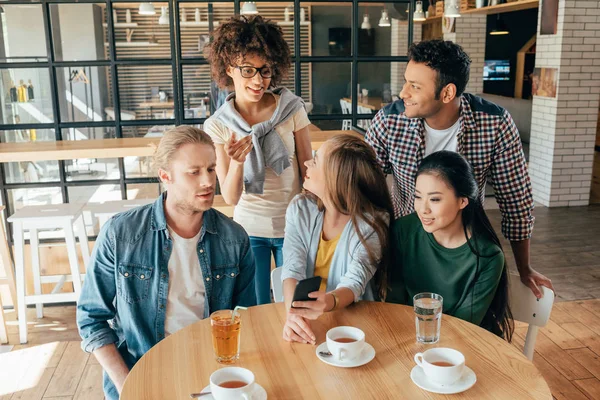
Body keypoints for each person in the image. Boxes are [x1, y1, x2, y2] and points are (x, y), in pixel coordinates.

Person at [76, 126, 257, 400]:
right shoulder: (121, 235)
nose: (208, 181)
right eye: (194, 172)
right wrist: (128, 386)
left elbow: (246, 317)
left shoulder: (234, 239)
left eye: (211, 169)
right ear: (165, 176)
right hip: (140, 373)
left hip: (210, 376)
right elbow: (91, 319)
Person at [365, 39, 553, 298]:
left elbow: (516, 200)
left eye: (415, 86)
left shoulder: (494, 123)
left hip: (466, 250)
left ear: (447, 93)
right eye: (406, 82)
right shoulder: (388, 122)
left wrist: (525, 268)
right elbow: (363, 187)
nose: (403, 93)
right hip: (407, 242)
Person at [203, 15, 313, 305]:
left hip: (294, 226)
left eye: (265, 71)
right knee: (257, 307)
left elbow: (308, 171)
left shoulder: (292, 109)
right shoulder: (219, 124)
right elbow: (230, 197)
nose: (258, 80)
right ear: (229, 69)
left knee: (298, 303)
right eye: (248, 70)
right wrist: (238, 162)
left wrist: (316, 218)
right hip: (250, 229)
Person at [388, 151, 514, 340]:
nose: (423, 209)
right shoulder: (402, 231)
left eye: (435, 199)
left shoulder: (488, 257)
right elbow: (395, 305)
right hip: (413, 338)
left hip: (466, 344)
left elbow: (464, 326)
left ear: (463, 201)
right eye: (418, 196)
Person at [281, 135, 393, 344]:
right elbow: (292, 267)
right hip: (309, 324)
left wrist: (329, 301)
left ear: (335, 179)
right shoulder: (300, 209)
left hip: (356, 329)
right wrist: (293, 315)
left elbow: (355, 281)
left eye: (315, 161)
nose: (306, 162)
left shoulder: (373, 224)